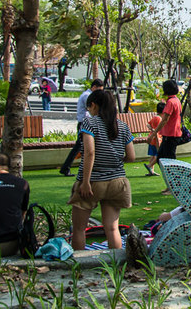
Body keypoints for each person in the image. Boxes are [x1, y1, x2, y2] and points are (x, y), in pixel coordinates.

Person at [68, 90, 135, 251]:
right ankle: (116, 266)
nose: (89, 111)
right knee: (112, 228)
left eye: (89, 107)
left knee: (79, 228)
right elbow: (131, 156)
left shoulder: (90, 123)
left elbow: (90, 153)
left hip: (93, 181)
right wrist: (116, 162)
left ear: (93, 105)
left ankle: (79, 267)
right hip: (118, 182)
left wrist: (85, 182)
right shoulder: (122, 126)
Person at [60, 79, 104, 176]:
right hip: (85, 123)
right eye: (99, 90)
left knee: (81, 147)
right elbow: (92, 110)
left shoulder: (87, 95)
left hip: (85, 123)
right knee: (79, 147)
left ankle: (66, 168)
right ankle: (66, 168)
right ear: (94, 87)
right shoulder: (87, 96)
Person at [152, 80, 182, 195]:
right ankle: (171, 185)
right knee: (162, 159)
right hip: (171, 134)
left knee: (168, 161)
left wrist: (154, 133)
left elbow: (165, 119)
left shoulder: (170, 102)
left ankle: (173, 187)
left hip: (171, 134)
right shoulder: (176, 100)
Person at [145, 102, 166, 176]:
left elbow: (148, 124)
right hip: (156, 139)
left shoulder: (155, 117)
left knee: (153, 155)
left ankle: (151, 171)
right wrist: (158, 142)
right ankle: (149, 166)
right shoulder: (159, 119)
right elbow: (157, 132)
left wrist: (152, 129)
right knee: (158, 155)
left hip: (152, 139)